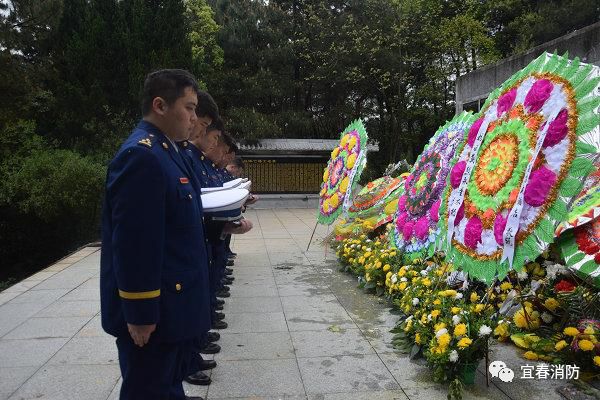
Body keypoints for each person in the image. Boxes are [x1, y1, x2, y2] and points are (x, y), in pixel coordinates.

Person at [100, 69, 208, 400]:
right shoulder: (142, 156)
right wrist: (141, 315)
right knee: (149, 390)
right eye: (188, 108)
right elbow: (134, 245)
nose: (193, 118)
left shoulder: (167, 150)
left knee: (165, 386)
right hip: (154, 317)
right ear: (160, 105)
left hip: (173, 307)